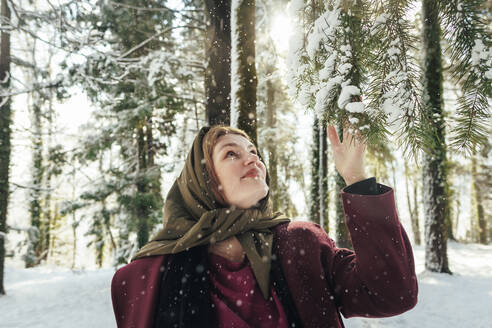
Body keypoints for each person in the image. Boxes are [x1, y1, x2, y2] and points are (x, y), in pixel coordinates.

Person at [111, 125, 418, 328]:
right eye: (232, 153)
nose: (252, 160)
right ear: (204, 181)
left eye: (254, 153)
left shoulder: (301, 244)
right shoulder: (145, 278)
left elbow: (391, 293)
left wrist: (357, 180)